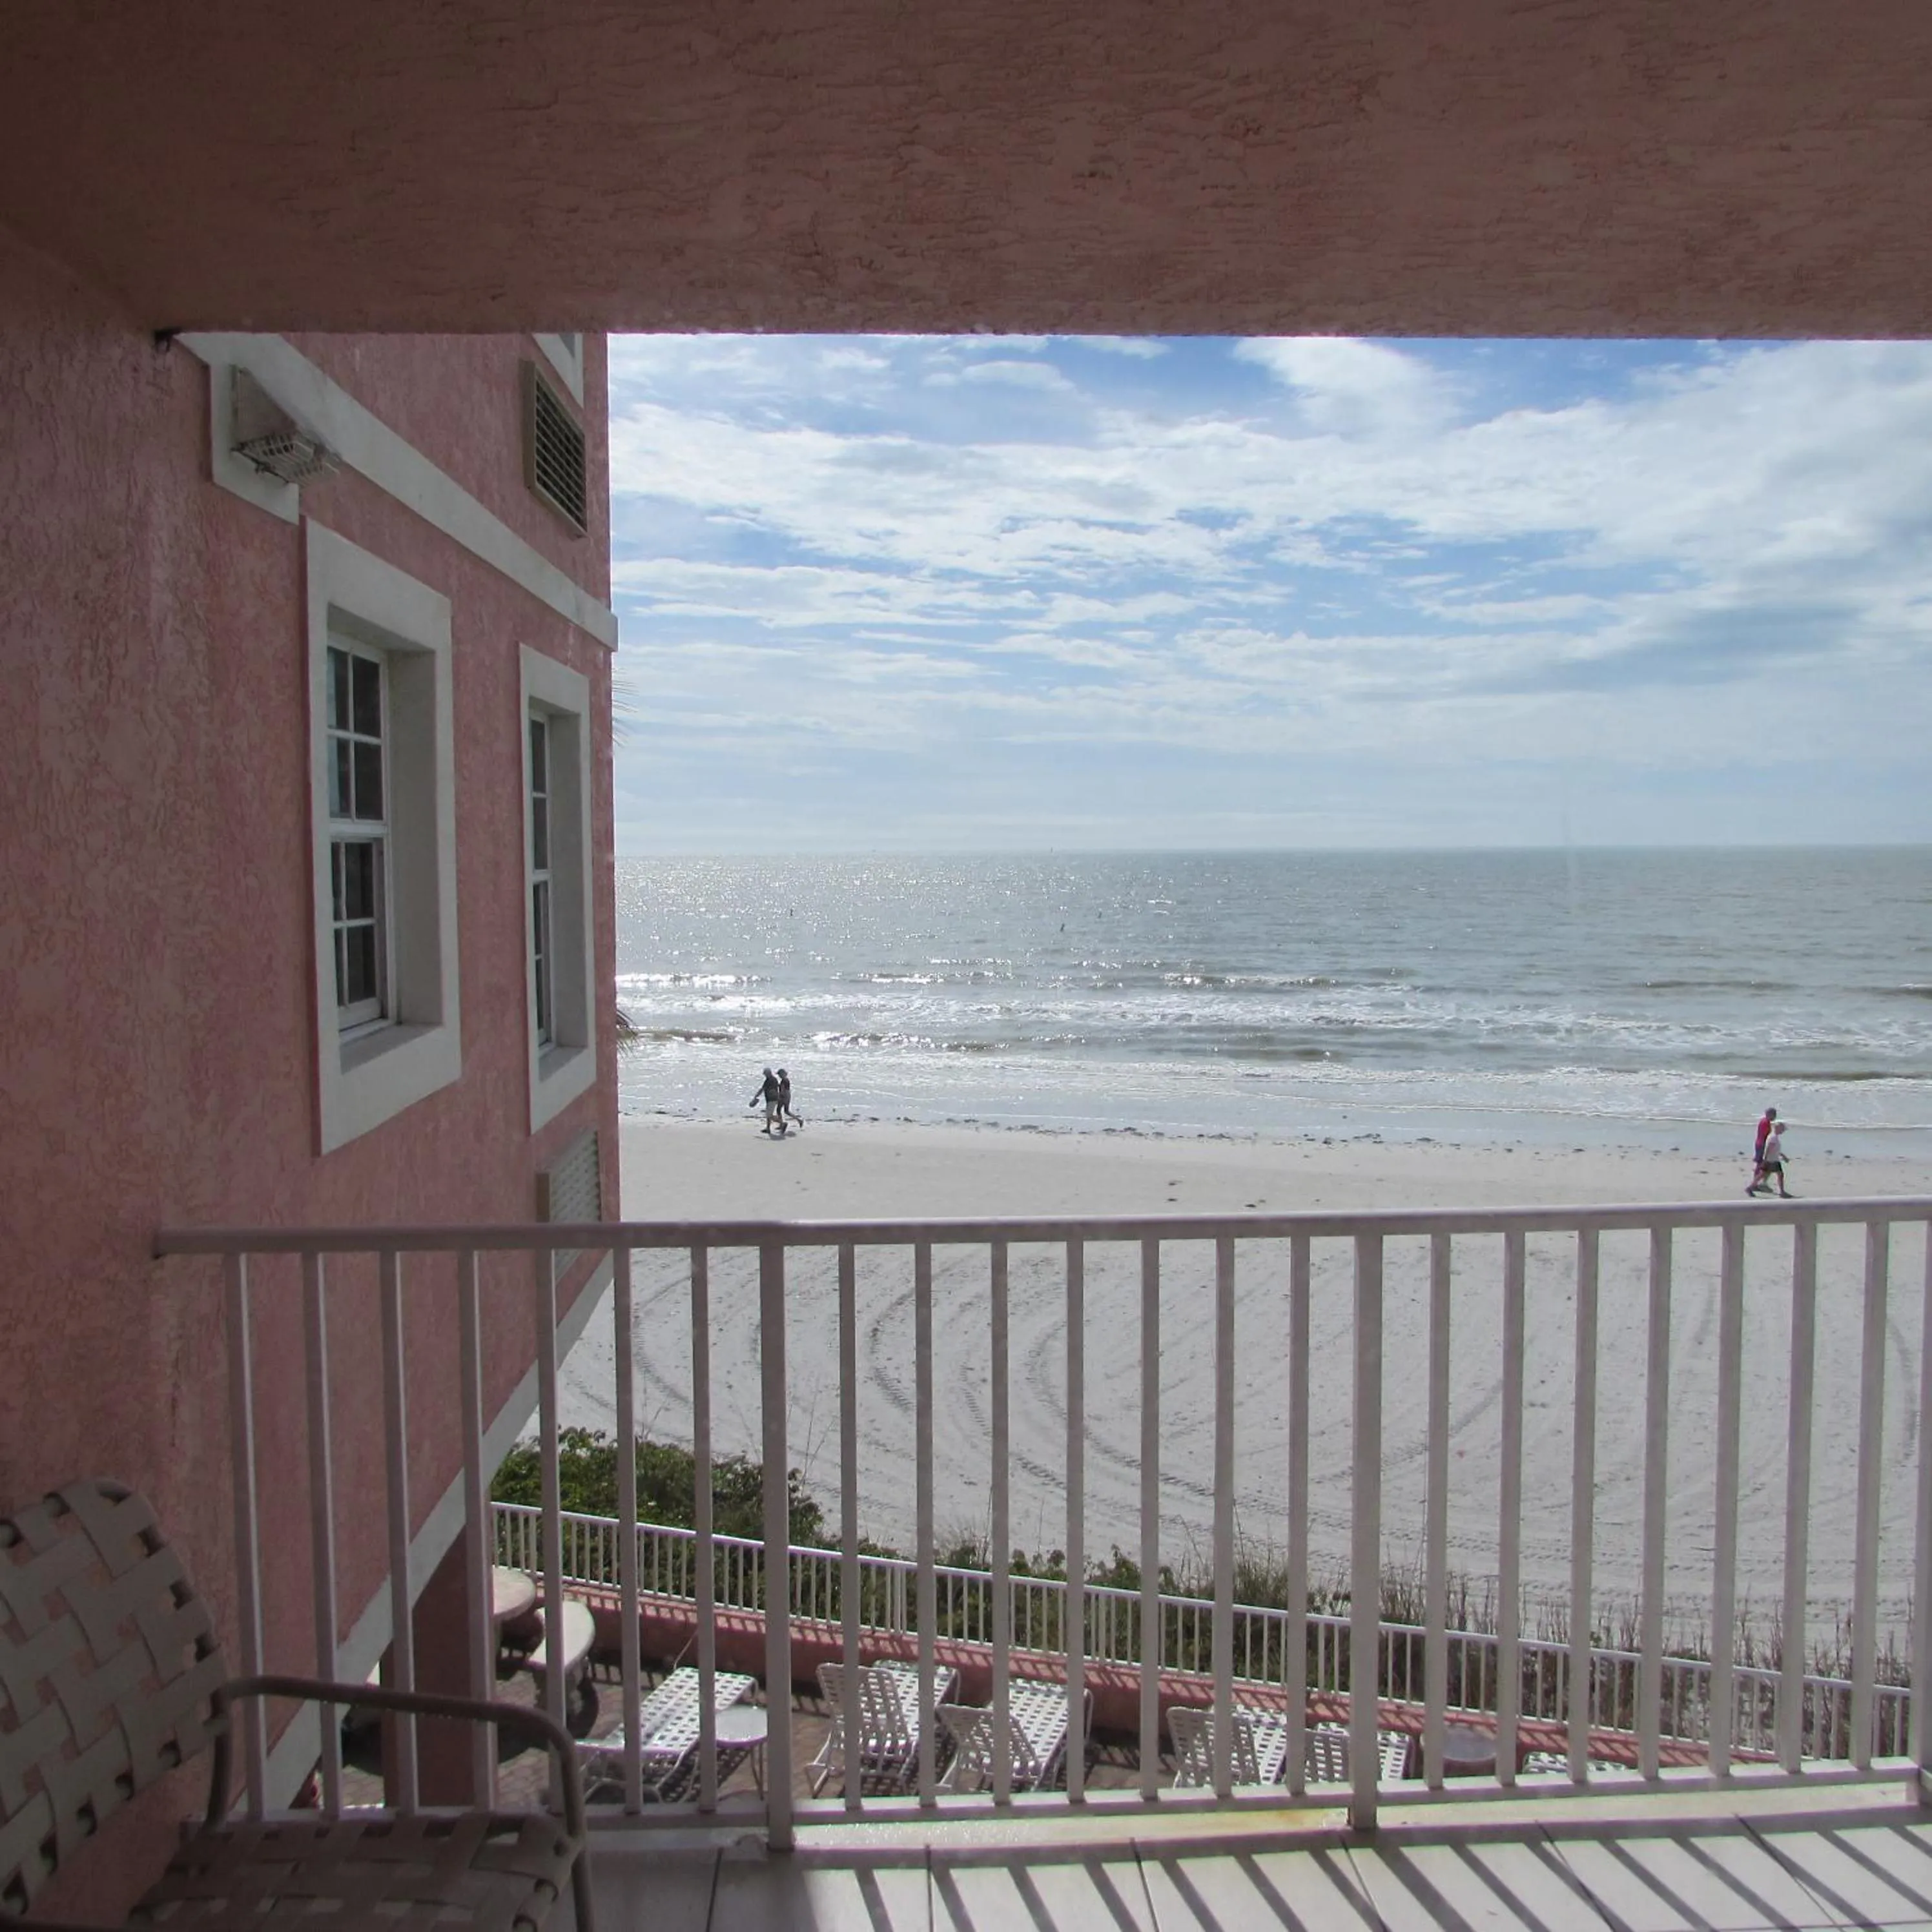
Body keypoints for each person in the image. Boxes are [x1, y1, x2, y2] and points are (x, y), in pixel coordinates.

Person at [1747, 1106, 1778, 1195]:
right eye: (1774, 1115)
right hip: (1762, 1145)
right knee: (1762, 1165)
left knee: (1760, 1164)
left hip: (1759, 1144)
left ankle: (1756, 1183)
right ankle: (1756, 1183)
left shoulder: (1764, 1121)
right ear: (1770, 1114)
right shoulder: (1765, 1123)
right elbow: (1766, 1136)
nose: (1775, 1117)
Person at [1757, 1120, 1793, 1198]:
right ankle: (1782, 1192)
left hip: (1773, 1159)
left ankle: (1753, 1186)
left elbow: (1776, 1149)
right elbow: (1769, 1148)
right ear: (1778, 1128)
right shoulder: (1773, 1137)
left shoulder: (1774, 1137)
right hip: (1772, 1160)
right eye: (1782, 1129)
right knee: (1779, 1175)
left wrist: (1783, 1156)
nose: (1783, 1131)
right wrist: (1765, 1159)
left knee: (1764, 1174)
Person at [750, 1067, 781, 1135]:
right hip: (772, 1099)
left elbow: (763, 1089)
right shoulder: (773, 1079)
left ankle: (782, 1123)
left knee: (769, 1115)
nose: (765, 1075)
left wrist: (756, 1096)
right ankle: (768, 1128)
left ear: (768, 1073)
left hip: (772, 1099)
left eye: (765, 1074)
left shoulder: (770, 1080)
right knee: (768, 1115)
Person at [777, 1068, 803, 1135]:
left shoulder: (784, 1080)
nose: (779, 1076)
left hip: (784, 1096)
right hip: (788, 1096)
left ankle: (782, 1124)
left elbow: (783, 1090)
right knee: (786, 1111)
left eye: (780, 1074)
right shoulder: (787, 1080)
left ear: (782, 1074)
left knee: (779, 1110)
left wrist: (780, 1097)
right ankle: (799, 1120)